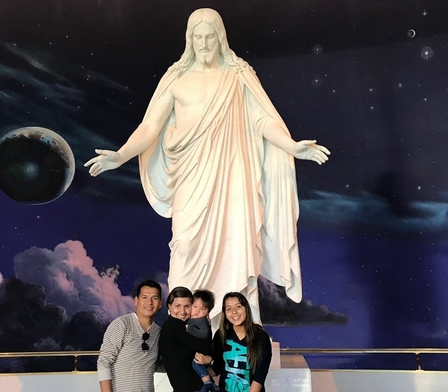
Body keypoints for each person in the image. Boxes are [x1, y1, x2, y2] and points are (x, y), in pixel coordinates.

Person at [85, 7, 330, 327]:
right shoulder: (176, 79)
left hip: (233, 178)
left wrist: (291, 145)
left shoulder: (238, 76)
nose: (203, 43)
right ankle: (188, 329)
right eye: (197, 37)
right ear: (189, 39)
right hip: (191, 179)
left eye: (209, 36)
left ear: (220, 38)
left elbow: (263, 120)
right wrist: (121, 155)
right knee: (185, 246)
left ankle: (239, 332)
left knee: (236, 249)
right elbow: (150, 127)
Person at [186, 289, 217, 392]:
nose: (197, 311)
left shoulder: (202, 321)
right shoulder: (189, 318)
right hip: (194, 351)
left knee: (196, 364)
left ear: (208, 312)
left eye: (202, 309)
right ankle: (214, 386)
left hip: (201, 352)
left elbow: (204, 333)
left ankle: (207, 382)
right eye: (195, 307)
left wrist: (189, 329)